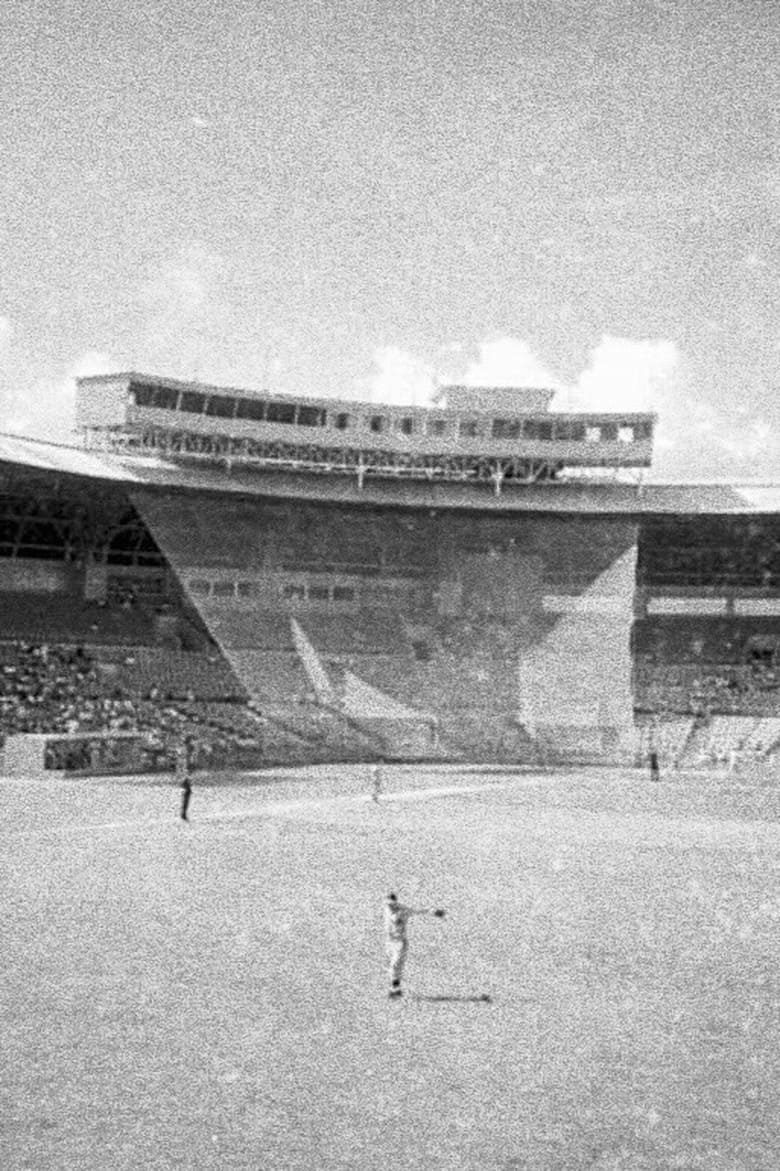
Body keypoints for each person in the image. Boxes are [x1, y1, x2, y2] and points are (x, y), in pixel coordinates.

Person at [384, 892, 446, 998]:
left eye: (392, 904)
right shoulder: (386, 909)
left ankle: (395, 988)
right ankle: (395, 989)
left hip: (400, 942)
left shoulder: (403, 911)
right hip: (390, 941)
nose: (390, 906)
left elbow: (419, 911)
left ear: (396, 903)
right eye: (388, 904)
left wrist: (434, 912)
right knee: (392, 966)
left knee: (395, 964)